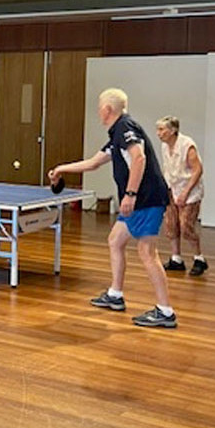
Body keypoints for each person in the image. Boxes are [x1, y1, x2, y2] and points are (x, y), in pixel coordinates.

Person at [49, 88, 176, 328]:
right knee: (115, 240)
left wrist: (130, 194)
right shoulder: (116, 134)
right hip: (140, 199)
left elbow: (139, 158)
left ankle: (165, 311)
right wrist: (61, 169)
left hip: (146, 199)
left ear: (108, 109)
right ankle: (115, 295)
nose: (98, 111)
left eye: (99, 107)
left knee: (147, 253)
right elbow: (94, 162)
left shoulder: (125, 128)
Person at [156, 116, 208, 277]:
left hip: (189, 191)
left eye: (162, 129)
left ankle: (199, 259)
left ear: (172, 131)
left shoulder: (187, 146)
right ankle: (176, 259)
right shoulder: (165, 147)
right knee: (171, 225)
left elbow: (198, 170)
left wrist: (185, 192)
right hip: (172, 188)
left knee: (186, 227)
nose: (159, 133)